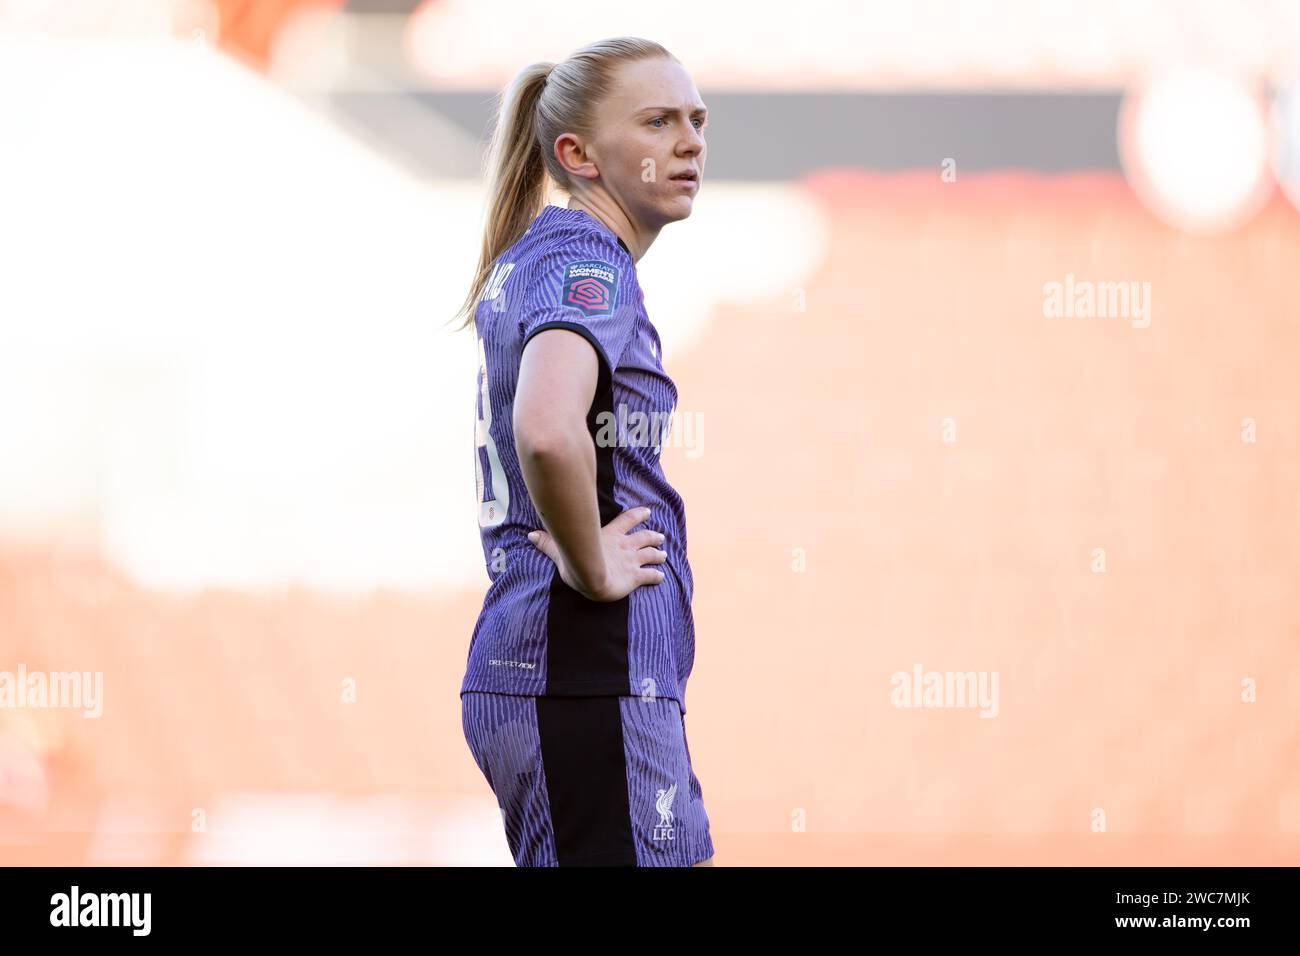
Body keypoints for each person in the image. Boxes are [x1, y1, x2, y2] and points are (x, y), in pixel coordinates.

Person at [452, 37, 714, 867]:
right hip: (584, 671)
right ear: (577, 154)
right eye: (657, 121)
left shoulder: (544, 253)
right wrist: (592, 562)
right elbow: (545, 424)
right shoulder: (583, 263)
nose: (690, 142)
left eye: (697, 121)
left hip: (570, 676)